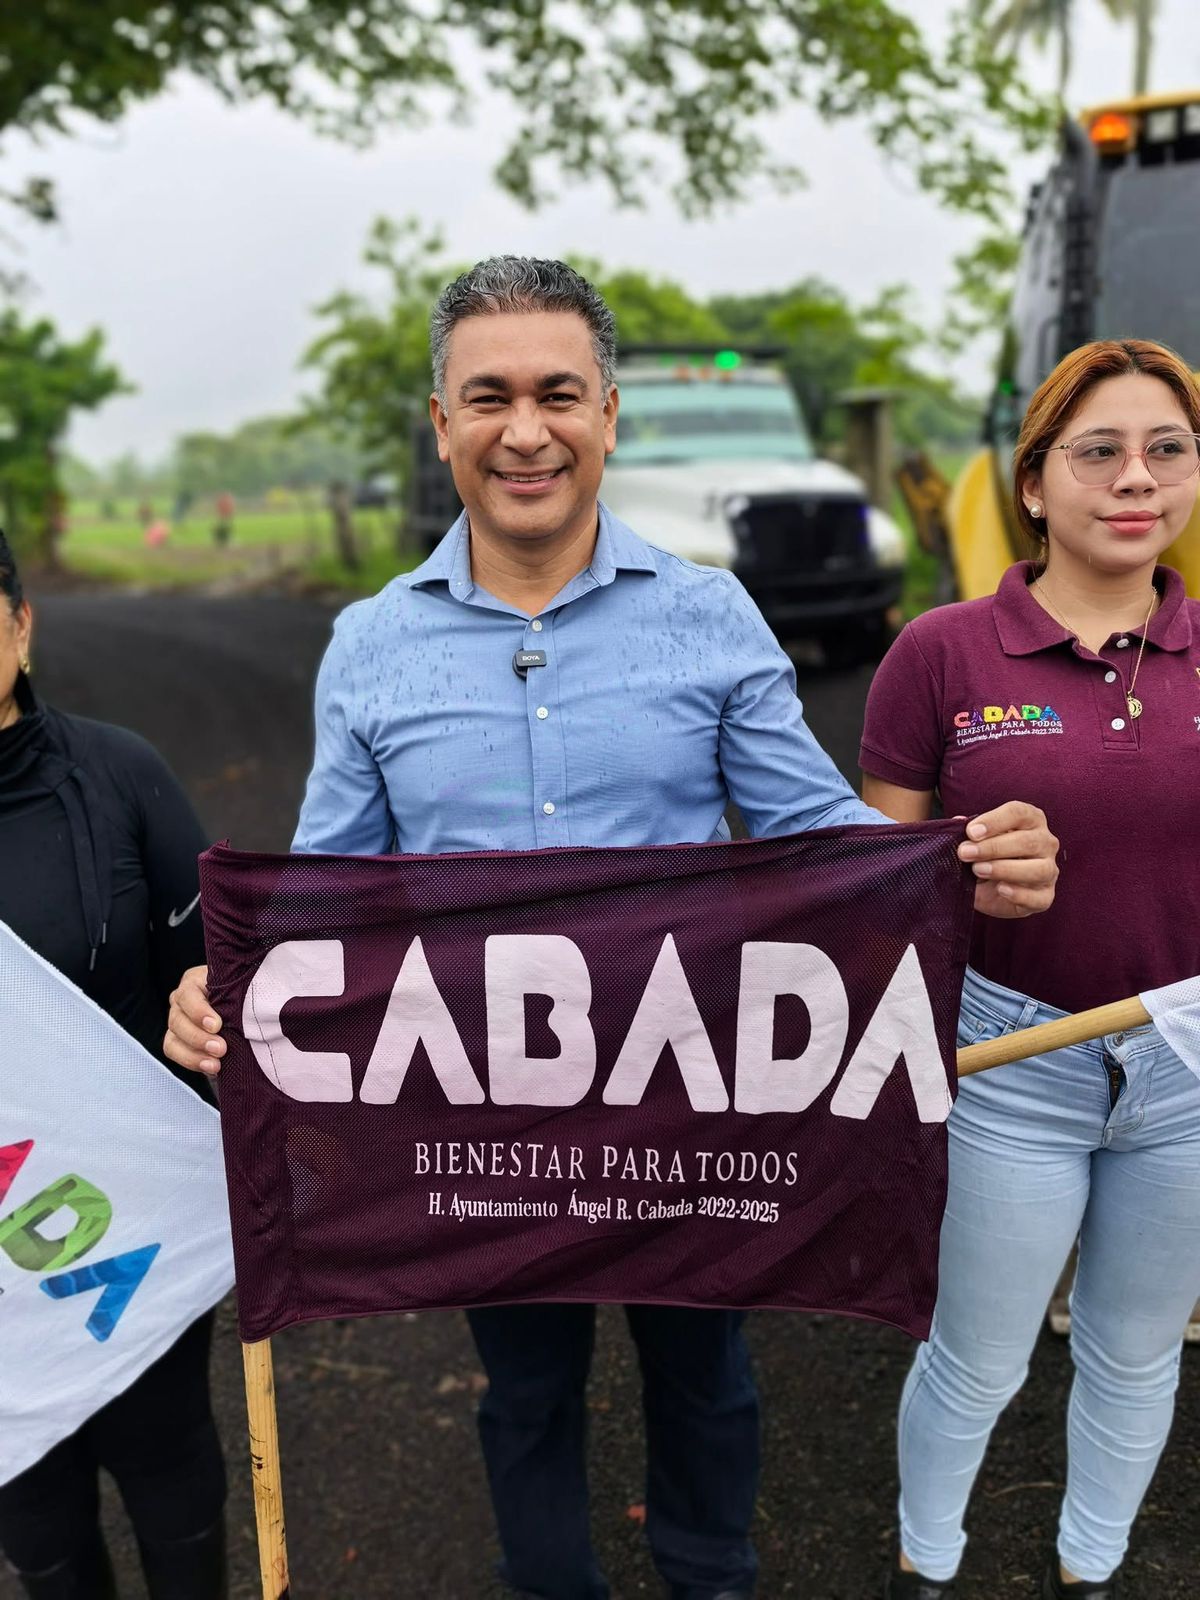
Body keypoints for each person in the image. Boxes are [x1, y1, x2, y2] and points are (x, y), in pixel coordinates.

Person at [163, 258, 1059, 1600]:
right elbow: (334, 883)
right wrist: (228, 979)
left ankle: (711, 1574)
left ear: (609, 415)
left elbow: (816, 832)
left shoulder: (708, 615)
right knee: (523, 1390)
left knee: (707, 1374)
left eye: (557, 394)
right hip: (479, 1103)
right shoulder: (368, 644)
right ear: (442, 422)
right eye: (491, 397)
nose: (527, 429)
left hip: (687, 1092)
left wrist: (957, 861)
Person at [860, 339, 1200, 1600]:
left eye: (1168, 449)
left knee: (1134, 1352)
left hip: (1187, 1060)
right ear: (1035, 479)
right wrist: (957, 867)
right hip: (1012, 1055)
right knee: (982, 1354)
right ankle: (927, 1563)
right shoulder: (940, 655)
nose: (1137, 478)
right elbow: (869, 888)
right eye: (1099, 450)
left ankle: (1093, 1568)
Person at [0, 531, 227, 1599]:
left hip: (134, 1228)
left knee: (173, 1481)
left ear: (21, 622)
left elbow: (219, 972)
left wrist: (207, 1010)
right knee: (36, 1520)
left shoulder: (119, 772)